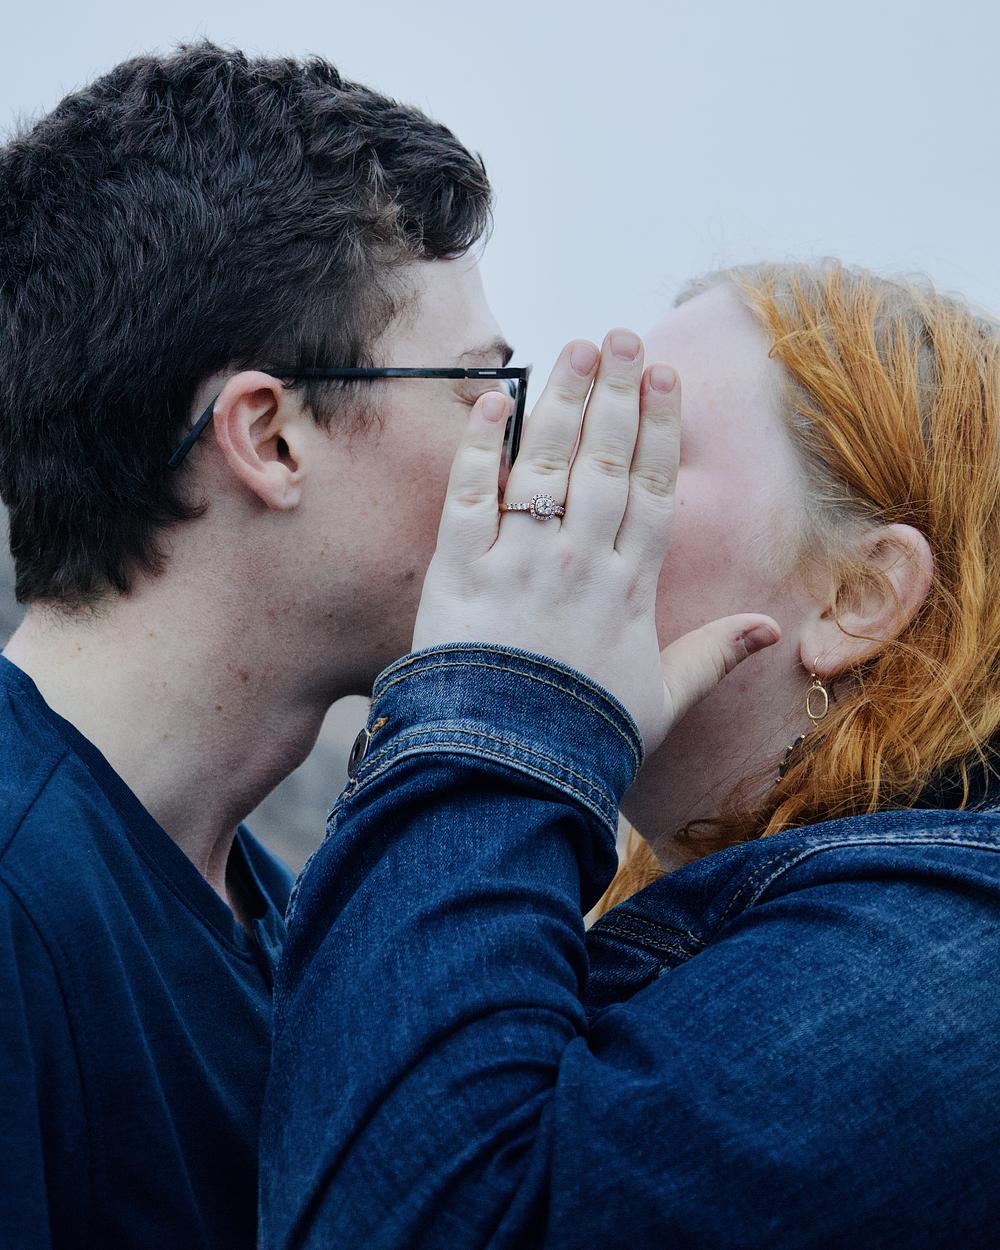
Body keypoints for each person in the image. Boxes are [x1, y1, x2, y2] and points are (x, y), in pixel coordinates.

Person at [260, 260, 1000, 1248]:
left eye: (637, 445)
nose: (534, 486)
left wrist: (507, 698)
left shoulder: (945, 970)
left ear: (856, 597)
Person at [0, 41, 519, 1249]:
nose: (515, 458)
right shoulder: (19, 906)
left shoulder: (274, 912)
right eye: (480, 392)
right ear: (270, 436)